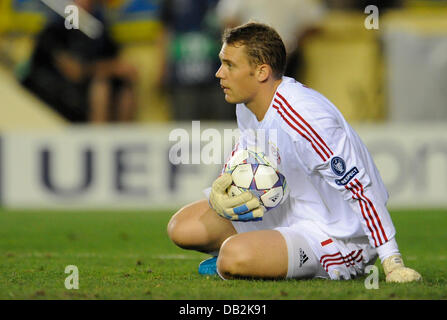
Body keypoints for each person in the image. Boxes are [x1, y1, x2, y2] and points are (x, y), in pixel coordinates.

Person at [167, 22, 422, 282]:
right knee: (183, 227)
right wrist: (223, 184)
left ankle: (252, 257)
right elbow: (247, 153)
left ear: (261, 71)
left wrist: (392, 260)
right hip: (283, 207)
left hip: (333, 234)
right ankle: (260, 254)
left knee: (233, 256)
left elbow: (358, 187)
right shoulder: (246, 105)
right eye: (222, 63)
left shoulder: (305, 117)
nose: (219, 73)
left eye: (230, 65)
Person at [21, 0, 138, 123]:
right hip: (57, 93)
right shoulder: (56, 28)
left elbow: (112, 58)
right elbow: (74, 71)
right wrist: (108, 68)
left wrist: (118, 69)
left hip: (86, 87)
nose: (85, 3)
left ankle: (122, 135)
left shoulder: (98, 29)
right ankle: (97, 137)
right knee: (100, 86)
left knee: (124, 86)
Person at [159, 0, 235, 121]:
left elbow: (230, 26)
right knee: (184, 132)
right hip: (182, 78)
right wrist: (163, 67)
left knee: (223, 128)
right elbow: (165, 31)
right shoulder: (170, 3)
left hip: (217, 77)